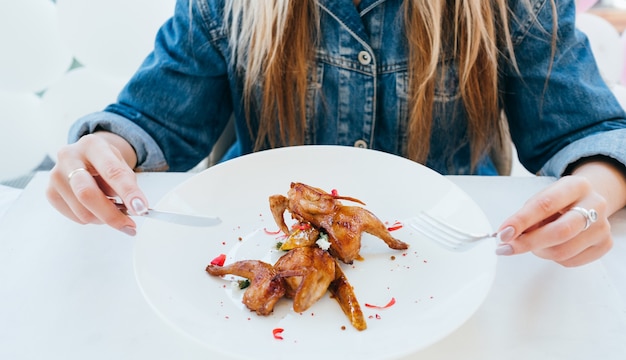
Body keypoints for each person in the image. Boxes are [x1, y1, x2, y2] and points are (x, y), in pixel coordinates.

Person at [46, 0, 626, 267]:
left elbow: (593, 132)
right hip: (263, 246)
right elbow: (150, 122)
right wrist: (106, 154)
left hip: (451, 258)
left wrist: (598, 190)